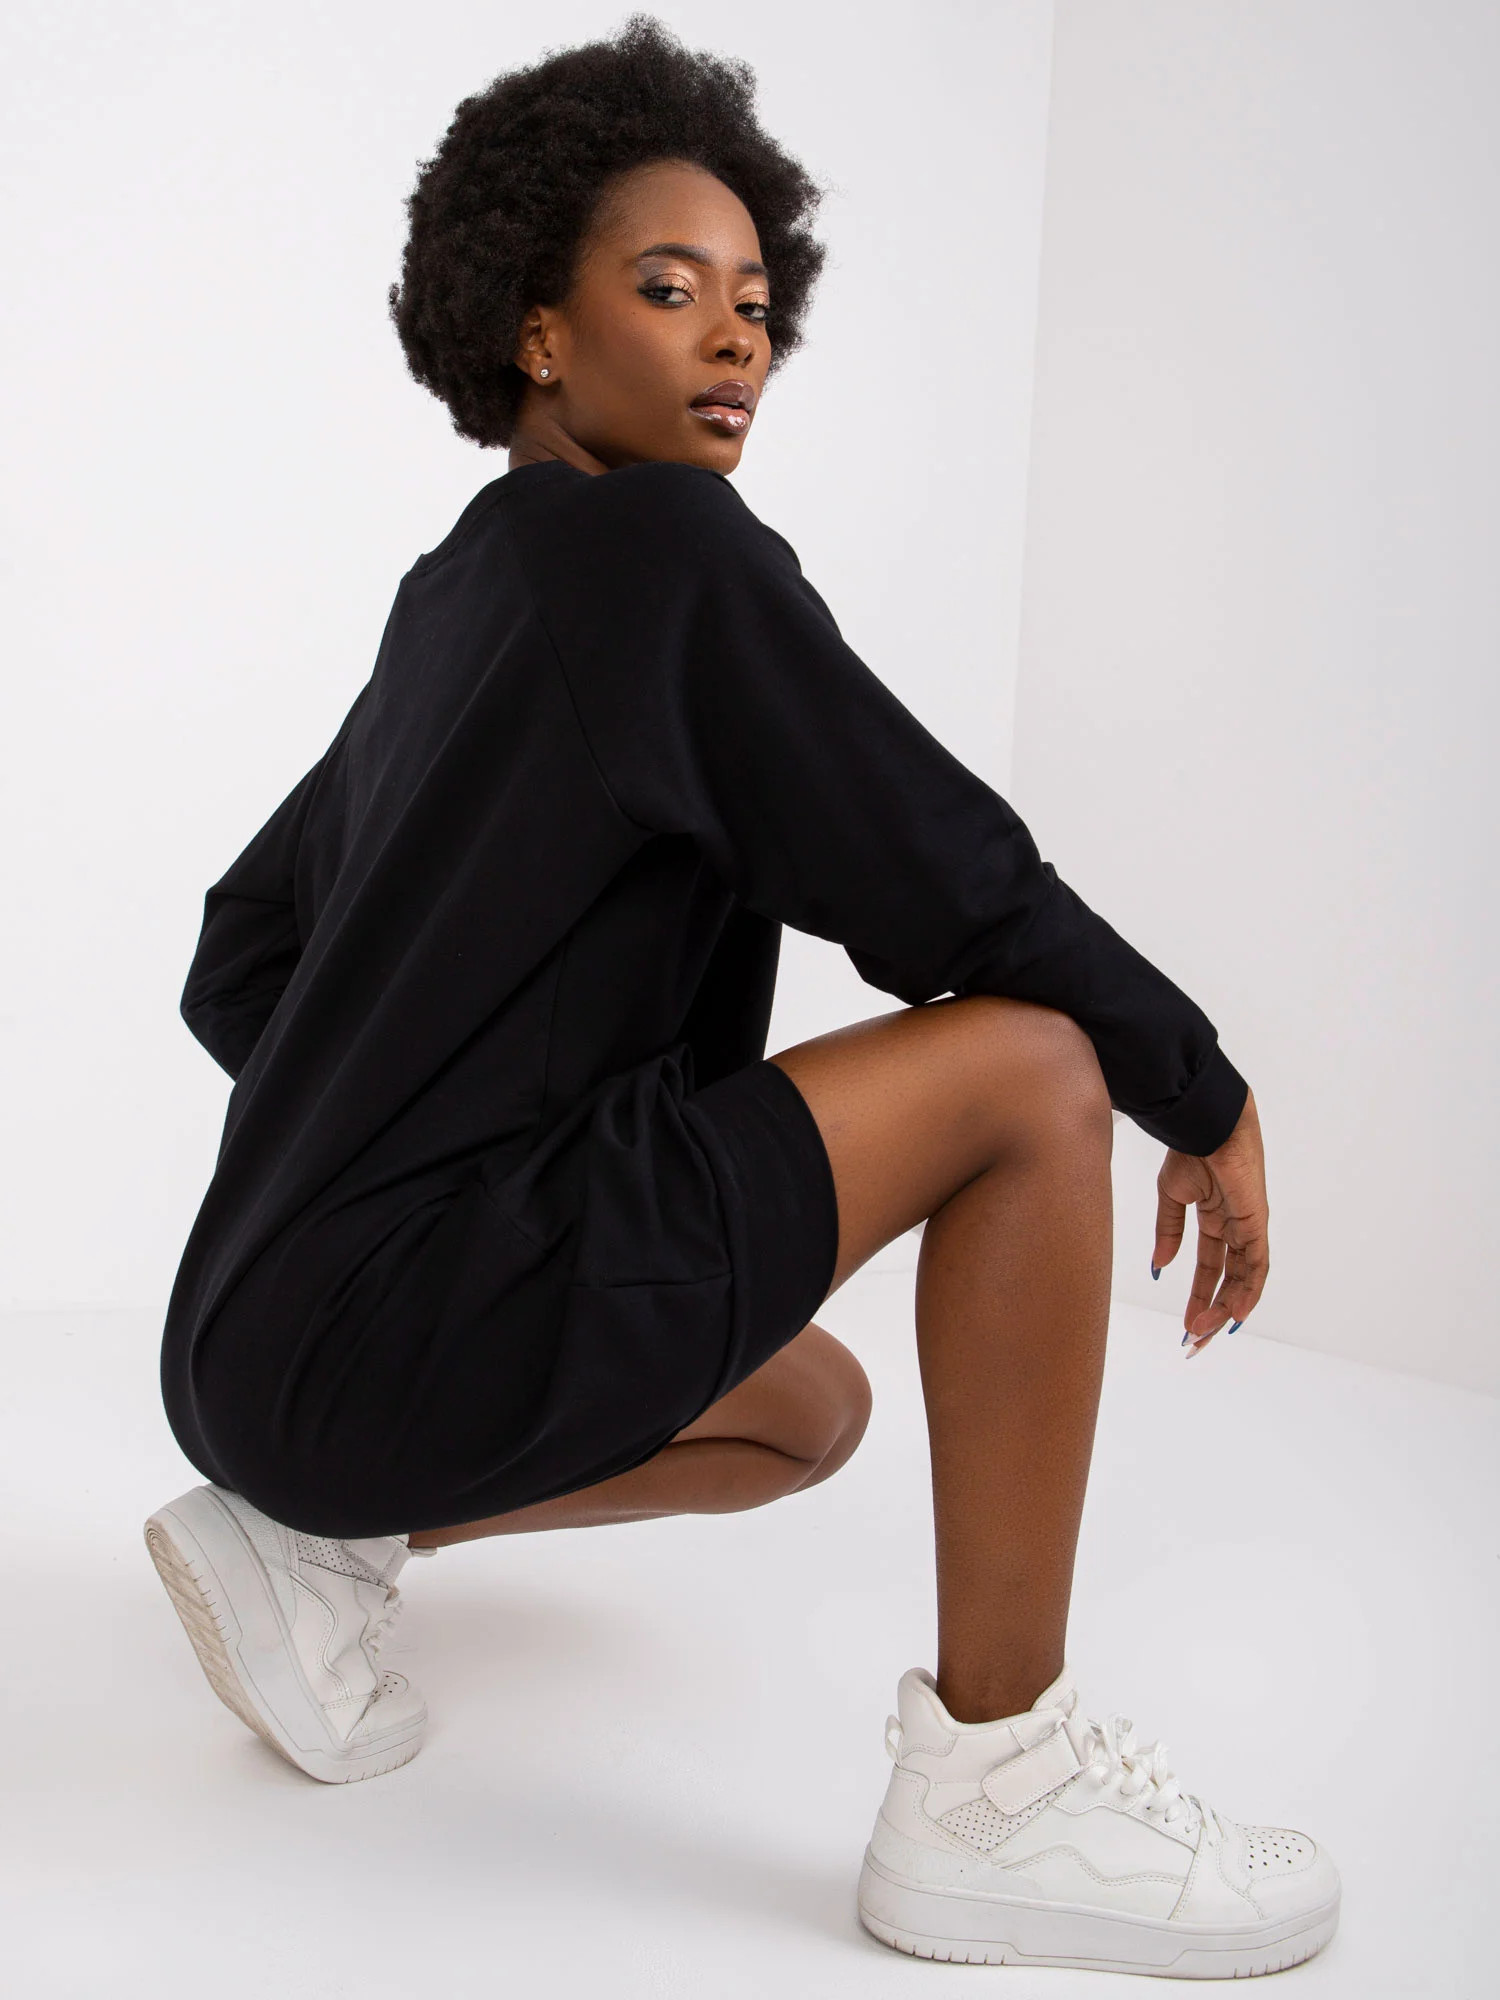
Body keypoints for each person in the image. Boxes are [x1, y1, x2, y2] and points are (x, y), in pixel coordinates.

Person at [143, 14, 1339, 1978]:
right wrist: (1197, 1090)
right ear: (538, 331)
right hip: (393, 1315)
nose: (735, 340)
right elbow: (946, 875)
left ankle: (322, 1537)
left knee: (805, 1410)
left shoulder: (463, 590)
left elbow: (243, 951)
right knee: (1037, 1073)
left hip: (252, 1351)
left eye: (760, 307)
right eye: (670, 287)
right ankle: (996, 1792)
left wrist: (391, 1123)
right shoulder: (658, 550)